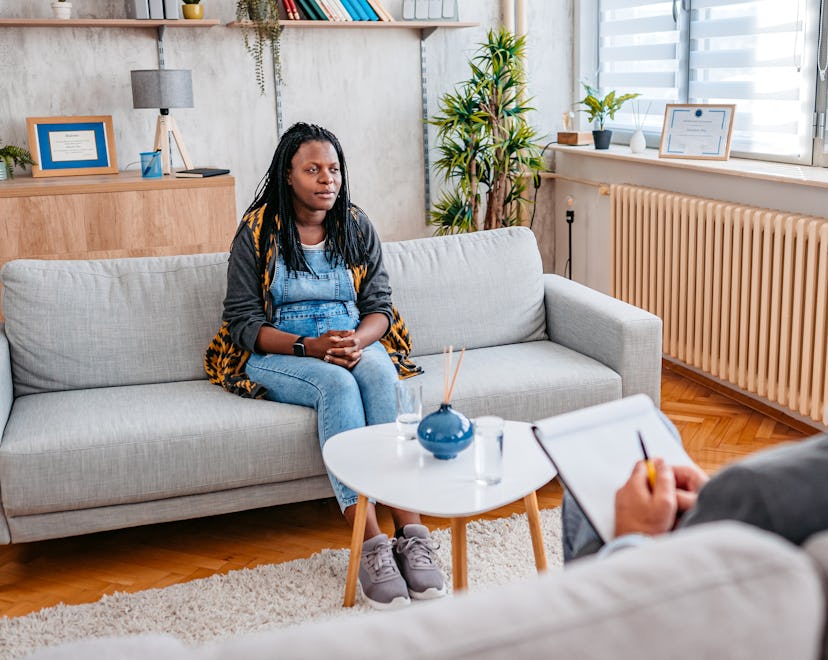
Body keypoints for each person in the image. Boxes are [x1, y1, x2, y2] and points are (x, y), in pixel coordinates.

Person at [204, 122, 445, 609]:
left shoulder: (355, 225)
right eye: (312, 169)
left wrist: (357, 340)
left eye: (333, 169)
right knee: (336, 385)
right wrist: (310, 347)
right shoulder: (258, 231)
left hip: (352, 337)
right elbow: (243, 323)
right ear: (288, 175)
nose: (326, 179)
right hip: (282, 349)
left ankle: (412, 533)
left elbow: (380, 307)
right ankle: (371, 544)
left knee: (381, 375)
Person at [564, 431, 828, 561]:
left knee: (579, 501)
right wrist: (713, 501)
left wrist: (636, 533)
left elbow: (632, 602)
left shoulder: (754, 489)